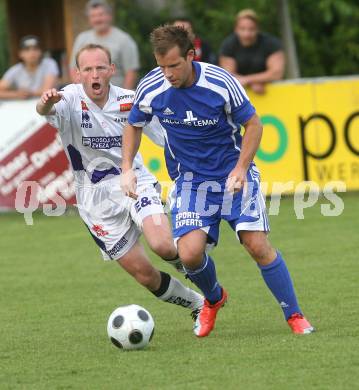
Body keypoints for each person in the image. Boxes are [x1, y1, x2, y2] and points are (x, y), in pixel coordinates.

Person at [121, 25, 314, 338]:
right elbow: (133, 125)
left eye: (174, 66)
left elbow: (253, 124)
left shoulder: (221, 82)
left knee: (256, 244)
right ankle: (214, 298)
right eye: (161, 66)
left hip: (233, 177)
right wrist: (126, 167)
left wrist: (241, 168)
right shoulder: (151, 87)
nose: (167, 74)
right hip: (190, 182)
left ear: (191, 55)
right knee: (188, 254)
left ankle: (294, 316)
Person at [36, 43, 203, 327]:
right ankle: (198, 303)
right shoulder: (67, 99)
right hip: (94, 200)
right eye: (87, 69)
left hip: (133, 181)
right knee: (145, 275)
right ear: (77, 74)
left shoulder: (131, 101)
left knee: (163, 244)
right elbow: (43, 110)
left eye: (101, 67)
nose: (94, 74)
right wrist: (46, 101)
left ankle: (192, 267)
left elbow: (166, 139)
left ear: (112, 69)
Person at [69, 0, 139, 89]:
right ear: (89, 20)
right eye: (93, 16)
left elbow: (131, 72)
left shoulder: (124, 40)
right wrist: (81, 94)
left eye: (101, 15)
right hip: (86, 97)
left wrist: (123, 98)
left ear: (110, 16)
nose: (97, 19)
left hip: (115, 96)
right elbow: (73, 69)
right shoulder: (81, 39)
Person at [219, 9, 285, 94]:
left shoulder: (271, 43)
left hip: (270, 93)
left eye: (251, 29)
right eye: (242, 29)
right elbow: (228, 75)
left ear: (258, 29)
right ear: (235, 29)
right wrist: (252, 83)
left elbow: (276, 73)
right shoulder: (228, 45)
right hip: (239, 96)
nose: (247, 34)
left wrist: (247, 80)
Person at [0, 35, 59, 100]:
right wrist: (16, 94)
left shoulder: (49, 64)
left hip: (46, 106)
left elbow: (48, 90)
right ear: (20, 54)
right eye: (27, 49)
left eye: (35, 49)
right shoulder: (15, 70)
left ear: (40, 52)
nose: (32, 52)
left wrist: (29, 93)